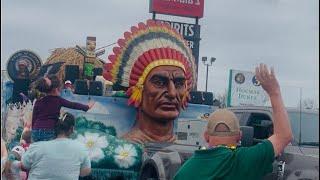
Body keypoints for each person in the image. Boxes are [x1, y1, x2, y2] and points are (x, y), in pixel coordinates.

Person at [174, 64, 293, 180]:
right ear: (239, 136)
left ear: (206, 136)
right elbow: (284, 136)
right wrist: (274, 92)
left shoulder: (185, 171)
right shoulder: (247, 160)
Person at [103, 19, 196, 144]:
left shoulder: (188, 152)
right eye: (159, 82)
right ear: (138, 89)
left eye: (179, 84)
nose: (172, 93)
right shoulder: (122, 150)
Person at [21, 112, 92, 179]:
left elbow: (24, 165)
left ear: (54, 128)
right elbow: (85, 172)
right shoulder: (81, 148)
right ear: (72, 129)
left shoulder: (37, 146)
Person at [32, 74, 95, 142]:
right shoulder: (58, 100)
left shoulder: (38, 101)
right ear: (56, 89)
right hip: (49, 130)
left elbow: (34, 118)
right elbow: (72, 105)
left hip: (36, 129)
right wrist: (87, 107)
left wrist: (33, 130)